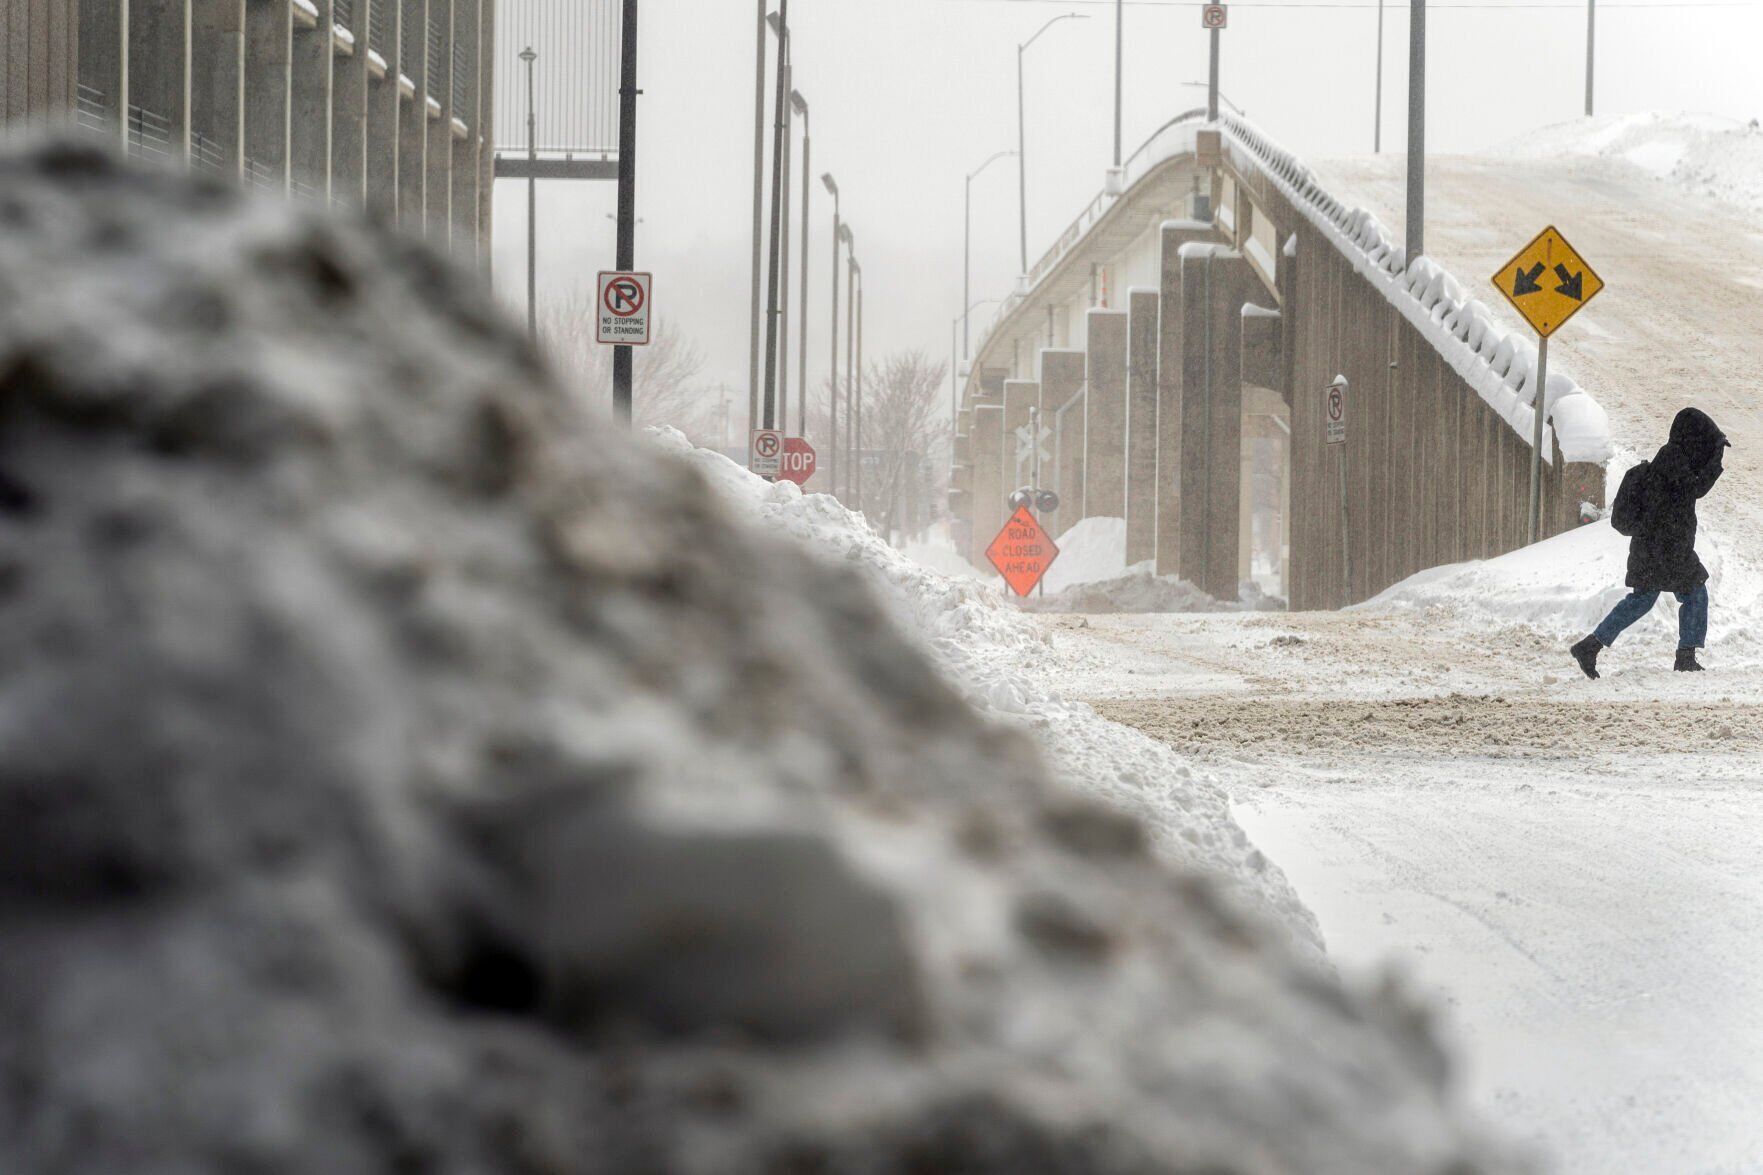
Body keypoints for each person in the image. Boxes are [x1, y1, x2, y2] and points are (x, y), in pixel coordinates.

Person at [1571, 407, 1729, 678]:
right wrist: (1716, 454)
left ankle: (1591, 646)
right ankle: (1686, 656)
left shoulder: (1661, 463)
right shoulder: (1678, 464)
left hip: (1651, 549)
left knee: (1641, 600)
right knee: (1694, 593)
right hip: (1670, 550)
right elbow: (1698, 488)